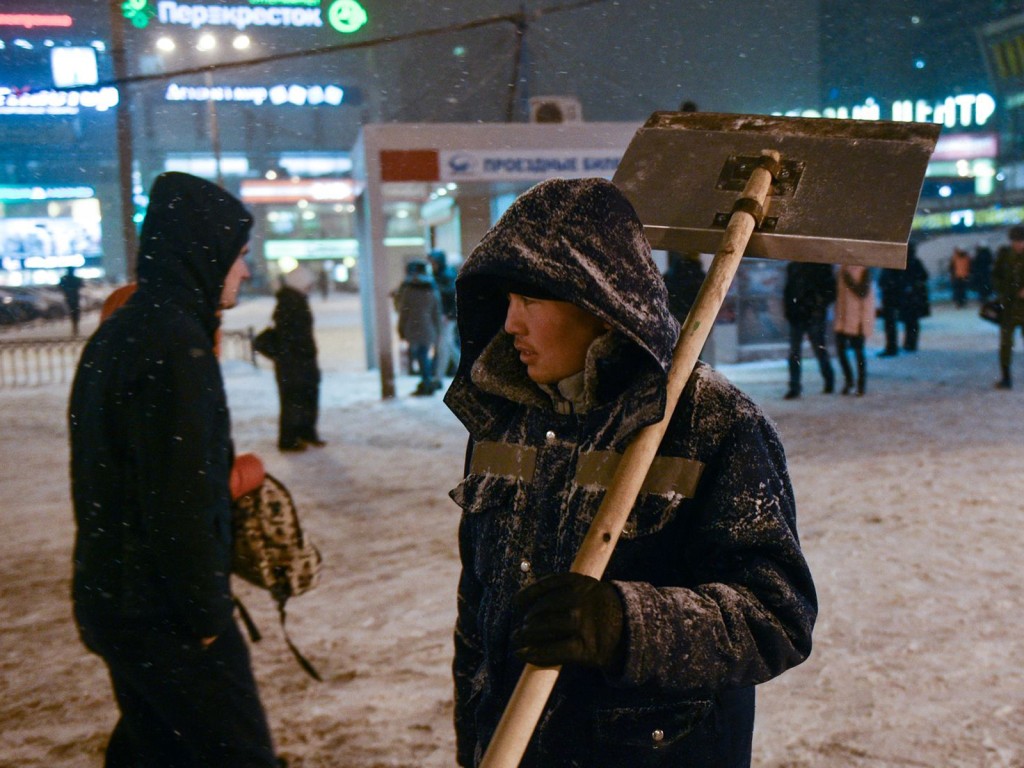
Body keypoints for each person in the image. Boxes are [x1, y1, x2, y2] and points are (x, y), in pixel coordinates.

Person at [444, 178, 816, 767]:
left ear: (600, 305)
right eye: (507, 300)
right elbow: (476, 610)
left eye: (532, 301)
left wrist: (623, 625)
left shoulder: (713, 424)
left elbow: (776, 616)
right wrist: (475, 736)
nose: (510, 323)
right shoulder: (502, 423)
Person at [68, 171, 279, 767]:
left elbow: (107, 478)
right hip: (168, 617)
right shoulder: (176, 346)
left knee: (155, 751)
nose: (245, 271)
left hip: (118, 599)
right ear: (204, 252)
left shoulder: (118, 335)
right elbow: (177, 500)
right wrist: (207, 619)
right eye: (239, 256)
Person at [271, 265, 325, 452]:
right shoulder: (289, 302)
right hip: (294, 362)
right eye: (308, 282)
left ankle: (305, 432)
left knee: (306, 396)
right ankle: (290, 438)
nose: (311, 286)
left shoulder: (295, 300)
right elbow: (289, 335)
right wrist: (302, 352)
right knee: (294, 399)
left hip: (300, 360)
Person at [782, 261, 836, 398]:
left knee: (815, 350)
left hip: (810, 314)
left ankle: (825, 380)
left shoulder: (818, 266)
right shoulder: (797, 266)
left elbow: (831, 291)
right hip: (802, 314)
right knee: (802, 351)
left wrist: (817, 305)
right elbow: (789, 291)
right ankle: (796, 386)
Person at [394, 259, 443, 395]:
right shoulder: (432, 288)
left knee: (418, 355)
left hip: (412, 327)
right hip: (428, 327)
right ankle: (427, 381)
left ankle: (426, 382)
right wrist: (438, 330)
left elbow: (403, 311)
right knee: (424, 354)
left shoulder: (408, 289)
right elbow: (437, 311)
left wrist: (401, 329)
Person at [834, 263, 876, 396]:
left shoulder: (864, 270)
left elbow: (862, 292)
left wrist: (848, 279)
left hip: (858, 319)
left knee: (859, 353)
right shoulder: (842, 269)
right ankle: (849, 381)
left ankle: (861, 385)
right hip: (843, 317)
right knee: (841, 351)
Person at [992, 224, 1024, 389]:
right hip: (1009, 307)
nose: (1019, 245)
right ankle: (1006, 378)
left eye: (1021, 241)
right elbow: (996, 276)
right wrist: (1005, 292)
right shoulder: (1004, 256)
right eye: (1016, 241)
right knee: (1005, 344)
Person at [428, 248, 460, 379]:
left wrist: (449, 314)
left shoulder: (446, 275)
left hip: (447, 317)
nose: (432, 265)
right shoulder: (440, 275)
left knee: (445, 346)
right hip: (444, 316)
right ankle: (442, 374)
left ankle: (439, 376)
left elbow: (453, 297)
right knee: (447, 345)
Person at [59, 265, 83, 336]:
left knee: (73, 312)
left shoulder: (65, 279)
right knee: (75, 312)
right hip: (73, 297)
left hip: (70, 297)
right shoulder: (75, 279)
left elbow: (61, 286)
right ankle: (75, 327)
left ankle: (75, 327)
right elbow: (80, 285)